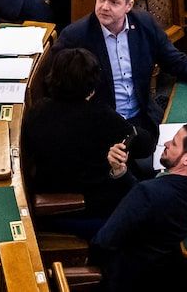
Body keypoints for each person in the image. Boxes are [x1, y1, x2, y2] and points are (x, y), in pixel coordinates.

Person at [56, 0, 187, 165]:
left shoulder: (143, 23)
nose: (104, 7)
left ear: (128, 5)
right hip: (102, 127)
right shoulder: (75, 36)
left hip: (143, 117)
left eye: (113, 2)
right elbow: (59, 89)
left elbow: (176, 61)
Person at [88, 123, 187, 292]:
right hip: (159, 279)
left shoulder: (147, 192)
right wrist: (120, 171)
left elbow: (103, 242)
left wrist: (88, 263)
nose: (167, 143)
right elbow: (149, 198)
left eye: (175, 144)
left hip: (123, 279)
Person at [20, 48, 135, 236]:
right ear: (92, 86)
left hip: (47, 187)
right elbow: (143, 142)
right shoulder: (102, 117)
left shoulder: (37, 110)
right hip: (84, 209)